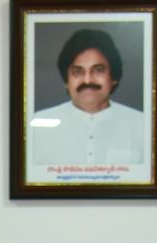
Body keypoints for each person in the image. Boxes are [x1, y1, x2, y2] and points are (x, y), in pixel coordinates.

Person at [30, 29, 144, 166]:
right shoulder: (37, 126)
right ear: (66, 81)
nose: (88, 80)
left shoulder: (142, 125)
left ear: (113, 78)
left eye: (98, 70)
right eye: (77, 72)